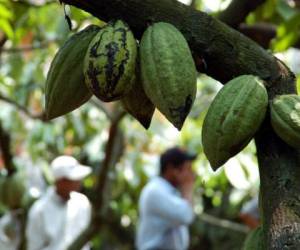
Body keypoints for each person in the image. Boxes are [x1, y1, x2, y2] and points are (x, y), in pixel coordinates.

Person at [26, 155, 92, 250]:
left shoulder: (82, 203)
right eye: (73, 179)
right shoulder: (39, 210)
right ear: (60, 181)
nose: (79, 181)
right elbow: (34, 246)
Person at [136, 147, 197, 250]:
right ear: (171, 169)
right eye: (187, 168)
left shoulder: (169, 191)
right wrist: (188, 187)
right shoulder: (155, 191)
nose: (191, 174)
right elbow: (185, 216)